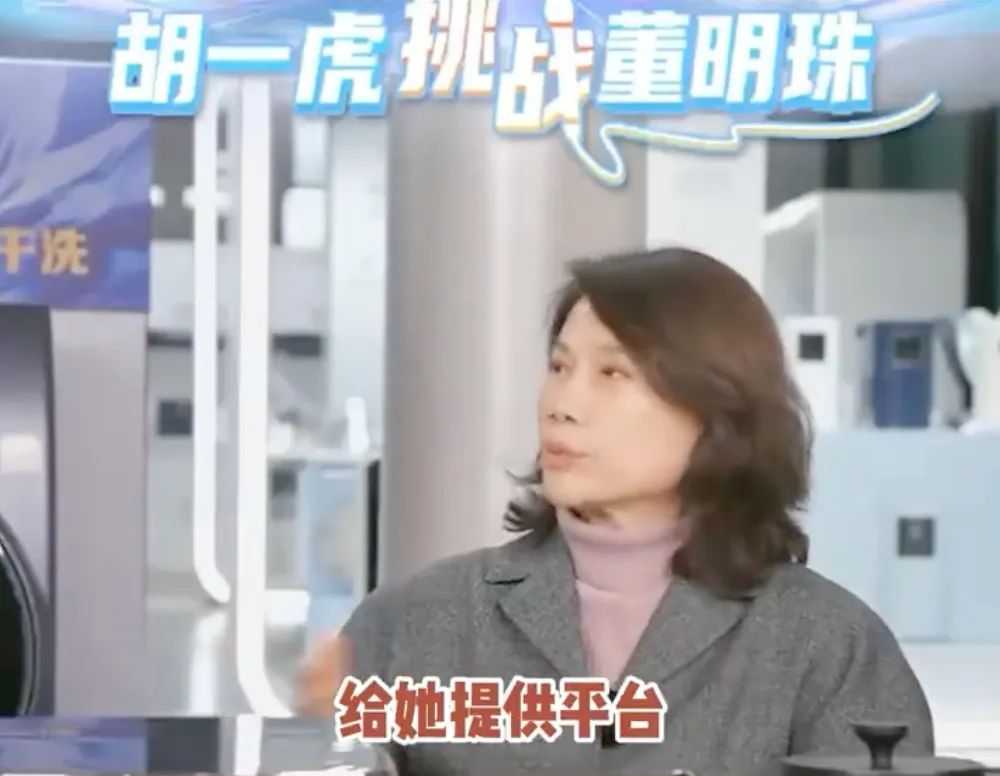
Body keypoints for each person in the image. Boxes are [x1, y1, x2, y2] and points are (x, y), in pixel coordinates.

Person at [297, 248, 934, 776]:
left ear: (716, 408)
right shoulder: (414, 622)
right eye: (559, 366)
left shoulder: (828, 646)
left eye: (612, 374)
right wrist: (314, 741)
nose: (562, 403)